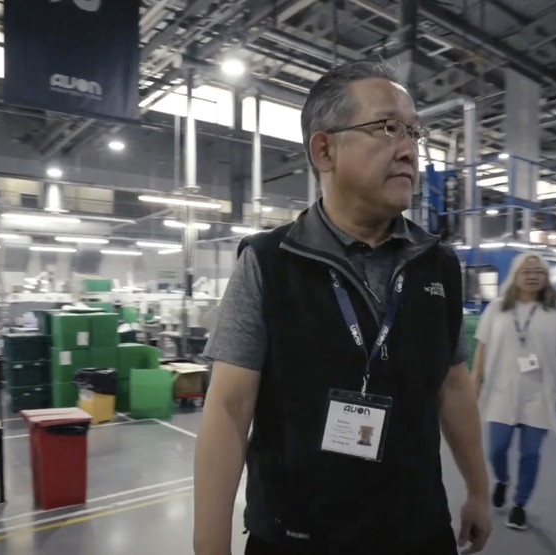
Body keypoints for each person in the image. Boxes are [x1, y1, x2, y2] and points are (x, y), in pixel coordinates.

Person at [194, 60, 492, 555]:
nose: (409, 150)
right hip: (298, 538)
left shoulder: (437, 265)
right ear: (324, 150)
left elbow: (454, 384)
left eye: (414, 133)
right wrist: (209, 546)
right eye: (388, 127)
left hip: (418, 531)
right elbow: (229, 408)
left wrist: (478, 491)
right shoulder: (269, 263)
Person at [471, 252, 556, 532]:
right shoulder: (497, 308)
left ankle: (520, 504)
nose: (533, 276)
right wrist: (475, 381)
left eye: (539, 271)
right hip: (501, 391)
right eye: (527, 271)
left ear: (546, 278)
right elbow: (482, 346)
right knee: (496, 449)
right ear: (515, 275)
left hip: (539, 394)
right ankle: (503, 479)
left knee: (530, 453)